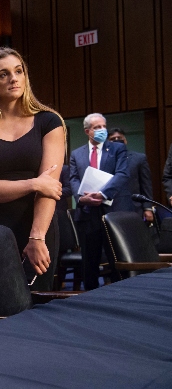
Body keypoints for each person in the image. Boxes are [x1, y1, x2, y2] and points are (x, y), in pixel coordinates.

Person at [0, 47, 65, 292]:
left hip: (38, 227)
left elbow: (49, 189)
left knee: (39, 305)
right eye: (3, 74)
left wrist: (37, 236)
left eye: (18, 71)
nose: (14, 78)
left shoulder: (49, 121)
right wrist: (33, 183)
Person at [70, 113, 134, 290]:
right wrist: (80, 198)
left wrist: (103, 193)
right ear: (87, 131)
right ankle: (89, 297)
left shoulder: (117, 149)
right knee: (89, 262)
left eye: (104, 126)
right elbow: (73, 178)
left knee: (116, 260)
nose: (102, 130)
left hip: (112, 211)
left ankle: (119, 296)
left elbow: (122, 174)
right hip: (88, 214)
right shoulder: (77, 154)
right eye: (97, 127)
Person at [108, 127, 154, 222]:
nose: (117, 140)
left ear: (125, 141)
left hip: (134, 207)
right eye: (112, 139)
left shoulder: (139, 158)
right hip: (109, 208)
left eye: (119, 138)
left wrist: (147, 208)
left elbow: (146, 185)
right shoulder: (103, 160)